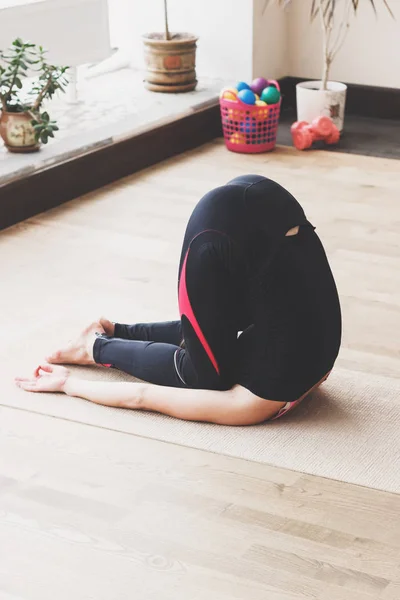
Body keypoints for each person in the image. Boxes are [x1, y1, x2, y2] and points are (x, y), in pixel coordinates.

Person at [15, 175, 341, 425]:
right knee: (206, 377)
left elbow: (149, 393)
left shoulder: (299, 377)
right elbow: (142, 397)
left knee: (212, 361)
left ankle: (102, 336)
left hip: (264, 200)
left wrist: (69, 384)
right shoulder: (260, 394)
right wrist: (70, 385)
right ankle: (94, 346)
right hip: (222, 229)